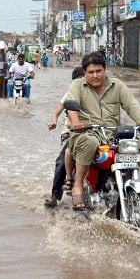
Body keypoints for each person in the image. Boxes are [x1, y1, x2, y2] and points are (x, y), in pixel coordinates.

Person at [64, 51, 140, 210]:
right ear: (85, 73)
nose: (95, 75)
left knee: (137, 147)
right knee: (89, 142)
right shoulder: (77, 85)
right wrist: (76, 122)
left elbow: (132, 105)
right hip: (86, 133)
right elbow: (71, 106)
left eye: (99, 71)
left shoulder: (117, 85)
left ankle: (126, 182)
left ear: (105, 70)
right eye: (91, 72)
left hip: (112, 136)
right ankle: (78, 185)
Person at [44, 66, 85, 208]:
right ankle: (55, 196)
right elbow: (56, 113)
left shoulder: (97, 93)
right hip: (70, 133)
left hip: (92, 131)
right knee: (61, 161)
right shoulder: (70, 94)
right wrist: (54, 122)